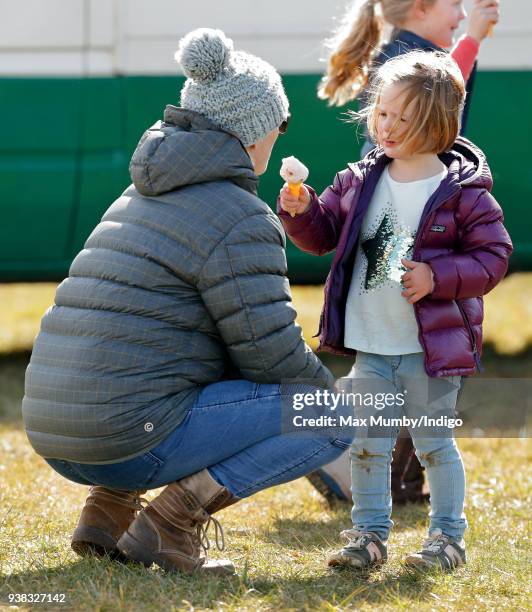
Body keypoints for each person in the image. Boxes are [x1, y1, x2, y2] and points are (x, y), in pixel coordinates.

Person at [21, 28, 354, 575]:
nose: (280, 136)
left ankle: (106, 513)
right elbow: (268, 353)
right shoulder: (241, 216)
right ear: (253, 132)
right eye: (281, 123)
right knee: (333, 414)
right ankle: (170, 524)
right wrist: (325, 399)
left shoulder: (136, 196)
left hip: (56, 431)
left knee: (154, 363)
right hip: (125, 439)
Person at [278, 50, 512, 570]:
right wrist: (301, 211)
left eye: (404, 119)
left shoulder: (462, 194)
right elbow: (325, 236)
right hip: (373, 343)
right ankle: (368, 537)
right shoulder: (361, 179)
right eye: (382, 113)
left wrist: (437, 277)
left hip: (429, 349)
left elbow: (493, 258)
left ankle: (447, 539)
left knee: (432, 445)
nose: (387, 126)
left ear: (438, 125)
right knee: (368, 445)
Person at [308, 0, 500, 506]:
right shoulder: (408, 60)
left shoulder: (411, 53)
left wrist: (437, 276)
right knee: (401, 364)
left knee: (417, 369)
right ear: (420, 7)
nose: (459, 14)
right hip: (396, 251)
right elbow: (444, 89)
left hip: (415, 255)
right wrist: (474, 39)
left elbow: (490, 255)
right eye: (452, 6)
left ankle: (406, 486)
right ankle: (349, 465)